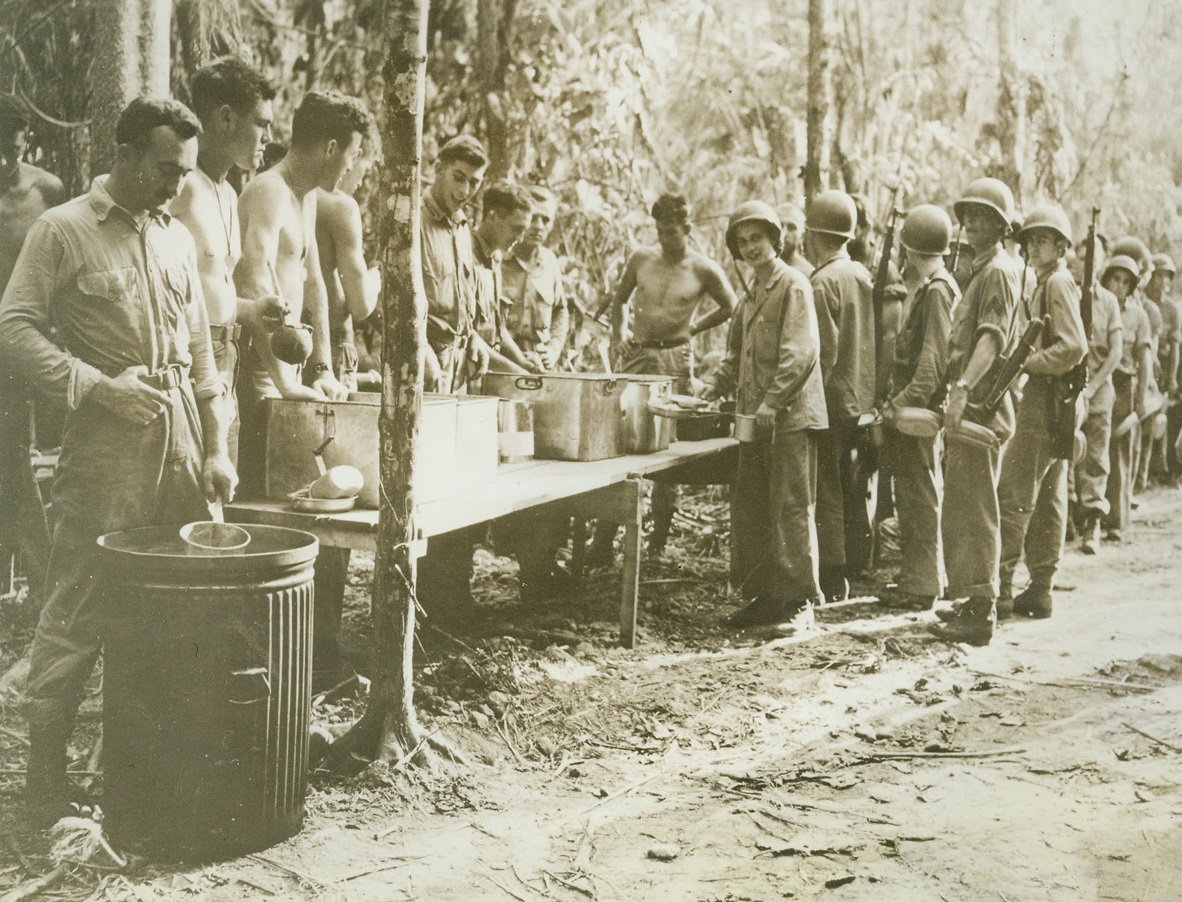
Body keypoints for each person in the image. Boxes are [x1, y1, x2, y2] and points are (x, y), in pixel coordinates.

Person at [0, 98, 236, 825]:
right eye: (166, 169)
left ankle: (147, 775)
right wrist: (96, 388)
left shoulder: (175, 238)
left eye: (185, 172)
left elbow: (202, 353)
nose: (175, 185)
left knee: (174, 613)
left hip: (183, 452)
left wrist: (219, 447)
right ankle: (44, 788)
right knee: (75, 612)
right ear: (127, 155)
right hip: (104, 453)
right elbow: (14, 327)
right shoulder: (62, 230)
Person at [589, 193, 738, 559]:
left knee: (669, 444)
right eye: (658, 231)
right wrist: (618, 335)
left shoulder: (702, 269)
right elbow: (619, 299)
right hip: (638, 355)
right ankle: (604, 539)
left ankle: (656, 542)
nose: (664, 239)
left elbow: (731, 307)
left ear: (686, 229)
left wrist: (694, 329)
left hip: (675, 359)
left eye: (671, 232)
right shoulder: (642, 258)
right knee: (620, 439)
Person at [702, 201, 827, 629]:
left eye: (757, 238)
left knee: (790, 507)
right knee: (752, 505)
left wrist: (773, 402)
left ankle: (797, 603)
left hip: (788, 418)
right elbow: (734, 357)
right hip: (755, 419)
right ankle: (763, 597)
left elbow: (802, 353)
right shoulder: (750, 295)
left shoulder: (793, 285)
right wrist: (709, 389)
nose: (751, 248)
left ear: (776, 239)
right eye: (742, 242)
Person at [235, 90, 358, 495]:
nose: (352, 165)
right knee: (257, 494)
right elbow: (255, 284)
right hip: (254, 369)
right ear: (331, 148)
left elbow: (314, 282)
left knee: (291, 489)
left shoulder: (306, 198)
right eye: (351, 154)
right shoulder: (269, 191)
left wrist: (322, 367)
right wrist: (283, 382)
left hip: (287, 366)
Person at [171, 56, 277, 465]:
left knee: (220, 488)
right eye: (262, 124)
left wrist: (252, 310)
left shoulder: (229, 193)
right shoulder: (180, 187)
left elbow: (214, 289)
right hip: (187, 361)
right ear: (227, 118)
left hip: (228, 359)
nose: (268, 136)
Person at [932, 177, 1021, 646]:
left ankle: (981, 611)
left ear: (1002, 226)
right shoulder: (980, 270)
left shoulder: (998, 272)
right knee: (962, 501)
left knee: (978, 506)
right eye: (968, 214)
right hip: (969, 401)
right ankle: (970, 601)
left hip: (982, 404)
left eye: (984, 215)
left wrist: (964, 387)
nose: (971, 223)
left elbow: (992, 338)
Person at [995, 205, 1087, 620]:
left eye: (1043, 240)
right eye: (1030, 239)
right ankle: (1040, 588)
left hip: (1045, 399)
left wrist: (1025, 363)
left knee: (1015, 494)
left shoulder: (1057, 283)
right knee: (1049, 497)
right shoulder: (1048, 281)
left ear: (1061, 246)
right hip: (1055, 401)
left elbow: (1072, 346)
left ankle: (1000, 587)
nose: (1033, 246)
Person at [0, 94, 64, 613]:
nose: (3, 163)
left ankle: (45, 582)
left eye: (13, 152)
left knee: (14, 458)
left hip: (21, 345)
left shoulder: (47, 191)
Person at [880, 205, 958, 611]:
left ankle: (922, 585)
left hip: (919, 412)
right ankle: (924, 579)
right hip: (916, 407)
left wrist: (900, 404)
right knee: (916, 494)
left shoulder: (938, 291)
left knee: (919, 496)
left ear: (909, 249)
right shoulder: (933, 286)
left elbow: (931, 364)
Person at [803, 190, 876, 601]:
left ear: (814, 235)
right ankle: (856, 563)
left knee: (827, 488)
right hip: (861, 399)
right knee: (853, 486)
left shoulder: (821, 283)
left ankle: (833, 575)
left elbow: (823, 355)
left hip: (831, 400)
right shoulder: (862, 275)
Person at [421, 135, 491, 393]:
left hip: (458, 366)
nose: (465, 192)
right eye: (458, 177)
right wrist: (419, 349)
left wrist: (473, 337)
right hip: (423, 361)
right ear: (439, 170)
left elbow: (462, 298)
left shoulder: (463, 227)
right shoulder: (411, 220)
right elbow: (382, 297)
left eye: (474, 183)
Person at [316, 122, 380, 393]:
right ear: (355, 155)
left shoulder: (299, 195)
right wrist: (378, 274)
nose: (362, 182)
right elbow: (361, 305)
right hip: (332, 343)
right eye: (364, 170)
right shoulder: (341, 205)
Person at [1072, 236, 1122, 555]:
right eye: (1081, 258)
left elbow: (1115, 352)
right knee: (1064, 451)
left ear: (1102, 264)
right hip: (1068, 384)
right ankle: (1063, 522)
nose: (1086, 265)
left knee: (1096, 455)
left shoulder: (1109, 302)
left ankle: (1092, 522)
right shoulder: (1065, 292)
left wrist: (1092, 388)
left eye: (1093, 259)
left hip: (1099, 385)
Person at [1101, 254, 1152, 543]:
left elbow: (1144, 360)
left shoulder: (1138, 316)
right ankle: (1087, 518)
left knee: (1120, 452)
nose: (1119, 286)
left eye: (1125, 282)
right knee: (1095, 450)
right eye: (1114, 279)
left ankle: (1116, 521)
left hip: (1123, 385)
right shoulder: (1096, 307)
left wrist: (1141, 398)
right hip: (1098, 382)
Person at [500, 186, 570, 373]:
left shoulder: (550, 262)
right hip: (502, 363)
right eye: (534, 217)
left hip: (540, 366)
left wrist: (553, 349)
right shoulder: (497, 258)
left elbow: (560, 310)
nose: (538, 226)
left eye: (545, 220)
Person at [471, 182, 533, 375]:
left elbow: (496, 328)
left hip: (486, 368)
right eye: (516, 229)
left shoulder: (495, 258)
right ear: (492, 217)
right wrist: (516, 371)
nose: (520, 238)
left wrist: (523, 362)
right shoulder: (464, 253)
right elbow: (464, 333)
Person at [1149, 253, 1182, 479]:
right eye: (1158, 276)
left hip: (1167, 365)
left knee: (1168, 417)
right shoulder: (1146, 306)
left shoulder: (1172, 309)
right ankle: (1151, 468)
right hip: (1149, 365)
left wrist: (1172, 377)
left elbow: (1175, 344)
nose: (1162, 282)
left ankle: (1168, 467)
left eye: (1167, 277)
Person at [774, 202, 813, 277]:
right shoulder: (758, 269)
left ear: (802, 235)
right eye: (780, 226)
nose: (783, 234)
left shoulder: (807, 274)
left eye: (791, 228)